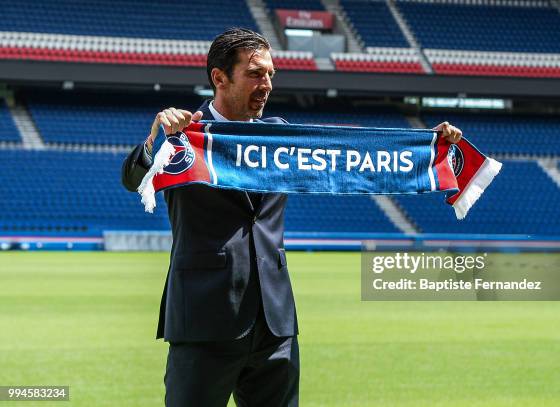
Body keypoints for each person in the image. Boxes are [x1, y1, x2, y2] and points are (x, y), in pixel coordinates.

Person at [121, 27, 463, 407]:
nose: (266, 83)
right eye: (255, 74)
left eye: (270, 74)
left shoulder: (280, 136)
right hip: (205, 321)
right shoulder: (182, 136)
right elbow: (133, 177)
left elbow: (348, 157)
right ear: (219, 77)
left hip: (276, 324)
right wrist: (154, 142)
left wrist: (423, 149)